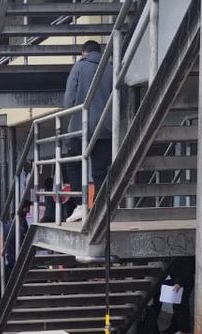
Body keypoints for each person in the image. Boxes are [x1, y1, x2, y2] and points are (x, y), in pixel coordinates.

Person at [61, 40, 113, 223]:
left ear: (84, 53)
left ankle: (81, 205)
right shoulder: (111, 68)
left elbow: (69, 101)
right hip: (106, 128)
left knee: (74, 163)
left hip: (79, 128)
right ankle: (101, 207)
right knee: (101, 170)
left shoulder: (79, 68)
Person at [164, 256, 195, 334]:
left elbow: (187, 268)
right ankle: (181, 330)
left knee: (182, 307)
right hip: (177, 279)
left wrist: (179, 282)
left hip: (182, 281)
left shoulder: (186, 253)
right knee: (177, 306)